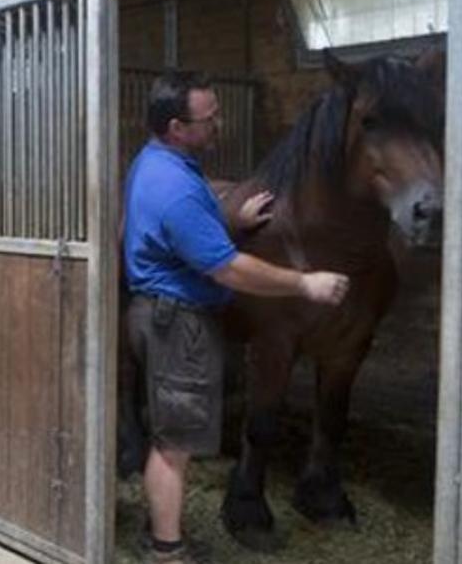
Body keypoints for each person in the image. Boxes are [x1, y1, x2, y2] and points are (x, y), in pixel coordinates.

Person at [123, 71, 351, 564]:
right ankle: (167, 550)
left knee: (169, 438)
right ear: (177, 126)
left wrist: (233, 220)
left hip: (160, 314)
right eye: (209, 119)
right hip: (176, 322)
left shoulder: (158, 162)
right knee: (174, 446)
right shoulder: (175, 187)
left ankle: (158, 529)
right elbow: (228, 268)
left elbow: (189, 230)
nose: (219, 125)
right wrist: (304, 283)